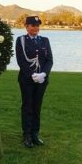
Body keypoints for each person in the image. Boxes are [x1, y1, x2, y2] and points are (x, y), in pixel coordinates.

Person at [15, 16, 53, 148]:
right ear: (26, 26)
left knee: (37, 107)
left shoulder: (45, 41)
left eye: (37, 25)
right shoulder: (21, 40)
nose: (35, 28)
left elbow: (49, 60)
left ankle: (35, 134)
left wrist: (43, 74)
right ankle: (26, 135)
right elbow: (21, 61)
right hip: (27, 79)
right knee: (27, 106)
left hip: (42, 80)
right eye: (32, 25)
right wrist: (32, 75)